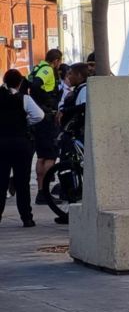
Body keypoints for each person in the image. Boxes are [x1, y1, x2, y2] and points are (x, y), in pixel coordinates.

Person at [0, 69, 44, 227]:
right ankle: (27, 217)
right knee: (22, 182)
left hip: (1, 143)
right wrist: (25, 123)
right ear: (19, 83)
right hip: (20, 143)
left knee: (1, 181)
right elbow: (39, 115)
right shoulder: (23, 98)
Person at [28, 49, 63, 205]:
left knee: (41, 156)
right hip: (47, 119)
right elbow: (35, 86)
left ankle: (42, 192)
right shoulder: (47, 70)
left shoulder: (37, 68)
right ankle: (46, 192)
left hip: (39, 118)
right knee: (50, 156)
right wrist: (47, 103)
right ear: (56, 61)